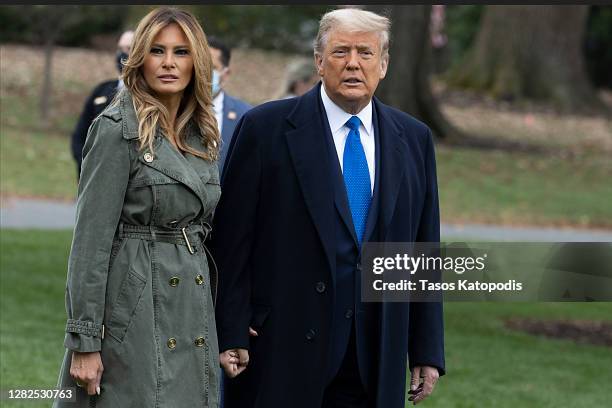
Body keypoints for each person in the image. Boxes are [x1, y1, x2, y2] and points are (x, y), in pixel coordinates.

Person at [213, 8, 445, 408]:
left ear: (384, 64)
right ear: (319, 61)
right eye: (340, 52)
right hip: (279, 350)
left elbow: (422, 253)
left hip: (376, 356)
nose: (353, 63)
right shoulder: (265, 129)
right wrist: (229, 329)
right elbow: (231, 241)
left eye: (365, 53)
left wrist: (425, 349)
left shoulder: (414, 138)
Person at [54, 7, 229, 407]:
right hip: (133, 309)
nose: (168, 63)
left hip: (192, 303)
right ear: (139, 60)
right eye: (157, 51)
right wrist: (84, 340)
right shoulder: (117, 129)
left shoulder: (202, 136)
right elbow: (90, 243)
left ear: (197, 62)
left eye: (181, 52)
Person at [70, 30, 134, 179]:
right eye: (120, 49)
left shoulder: (149, 96)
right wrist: (86, 165)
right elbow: (79, 136)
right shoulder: (101, 90)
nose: (122, 54)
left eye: (129, 49)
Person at [206, 36, 252, 171]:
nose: (203, 72)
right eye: (199, 65)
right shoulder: (173, 110)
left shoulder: (246, 116)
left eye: (211, 67)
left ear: (225, 75)